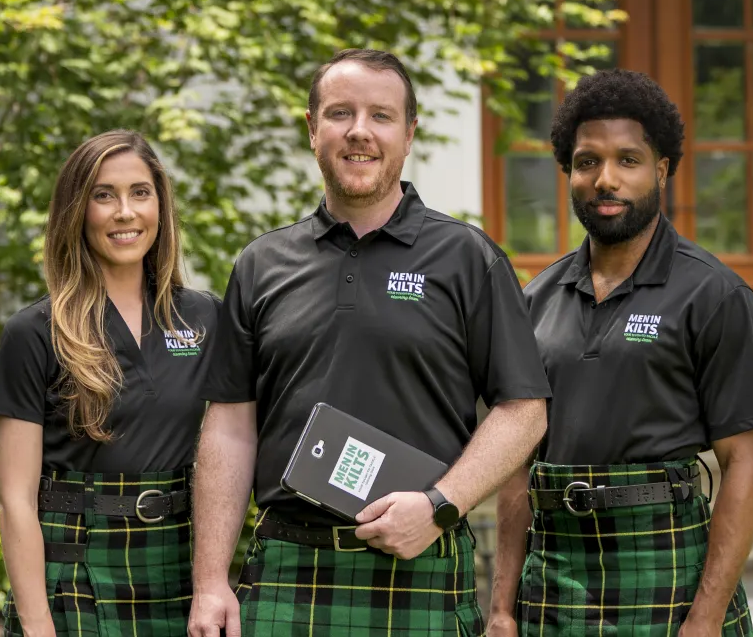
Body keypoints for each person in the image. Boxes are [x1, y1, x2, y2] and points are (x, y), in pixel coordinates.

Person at [187, 48, 551, 637]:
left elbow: (524, 412)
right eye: (339, 114)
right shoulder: (261, 264)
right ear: (312, 130)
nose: (360, 132)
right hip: (286, 571)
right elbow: (230, 425)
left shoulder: (467, 259)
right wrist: (210, 582)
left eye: (381, 116)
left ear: (409, 135)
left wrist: (439, 505)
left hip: (420, 566)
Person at [488, 69, 753, 637]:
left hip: (667, 574)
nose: (606, 179)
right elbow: (516, 465)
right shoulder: (532, 301)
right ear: (569, 171)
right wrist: (501, 607)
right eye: (588, 161)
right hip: (554, 582)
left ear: (661, 170)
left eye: (628, 160)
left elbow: (745, 461)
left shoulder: (715, 296)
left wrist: (708, 615)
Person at [0, 130, 219, 637]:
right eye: (103, 195)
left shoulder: (205, 318)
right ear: (76, 211)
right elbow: (15, 500)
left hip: (181, 576)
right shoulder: (34, 333)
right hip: (74, 579)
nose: (125, 212)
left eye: (140, 192)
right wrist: (38, 627)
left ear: (161, 204)